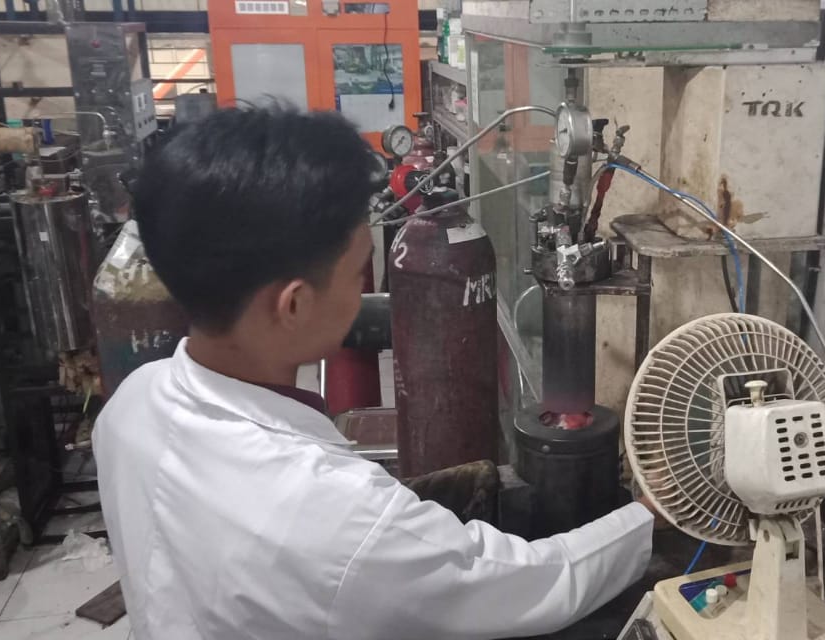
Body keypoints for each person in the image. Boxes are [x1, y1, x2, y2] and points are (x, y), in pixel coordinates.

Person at [93, 107, 656, 640]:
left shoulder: (132, 406)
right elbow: (528, 584)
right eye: (356, 272)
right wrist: (645, 519)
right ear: (294, 305)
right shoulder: (336, 518)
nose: (366, 288)